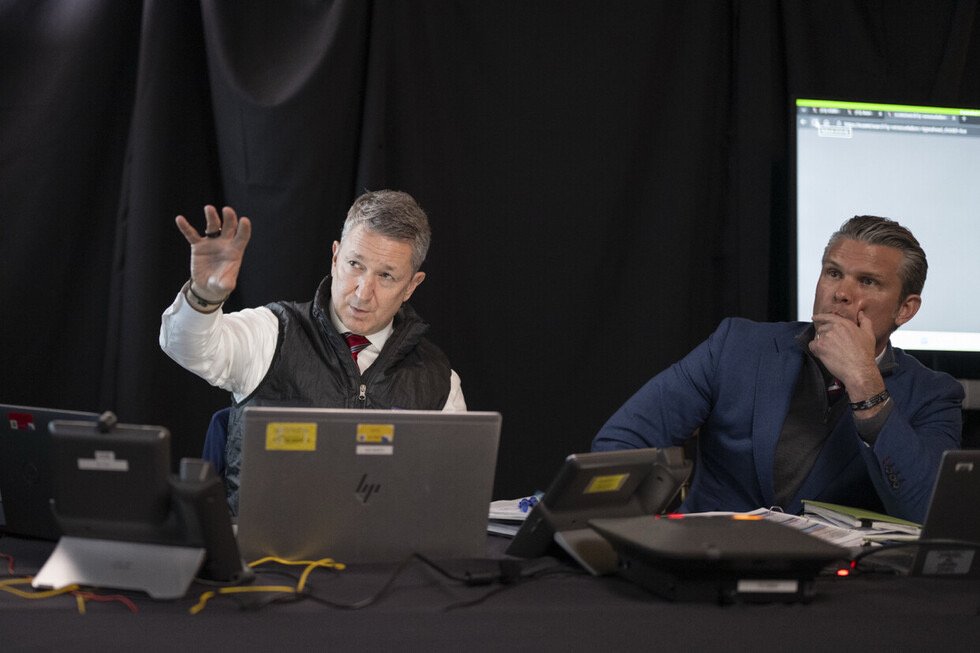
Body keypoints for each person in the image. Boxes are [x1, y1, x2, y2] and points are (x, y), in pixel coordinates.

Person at [593, 215, 963, 523]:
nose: (841, 293)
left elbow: (926, 513)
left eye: (867, 281)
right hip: (709, 563)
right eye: (833, 273)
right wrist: (642, 536)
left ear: (905, 309)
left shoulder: (933, 395)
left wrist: (864, 382)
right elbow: (620, 443)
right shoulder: (736, 345)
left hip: (837, 589)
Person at [160, 190, 466, 513]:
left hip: (382, 560)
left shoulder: (439, 381)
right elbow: (186, 347)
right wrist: (204, 297)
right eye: (354, 264)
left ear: (411, 286)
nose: (363, 292)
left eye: (386, 276)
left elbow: (452, 498)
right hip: (267, 558)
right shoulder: (272, 332)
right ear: (335, 258)